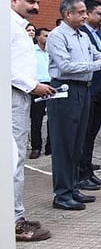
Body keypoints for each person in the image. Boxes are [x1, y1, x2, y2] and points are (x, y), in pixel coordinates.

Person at [46, 0, 101, 211]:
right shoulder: (57, 36)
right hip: (65, 89)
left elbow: (98, 56)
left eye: (84, 12)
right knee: (64, 144)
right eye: (80, 12)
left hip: (84, 90)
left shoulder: (83, 36)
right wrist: (100, 63)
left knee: (78, 142)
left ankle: (72, 187)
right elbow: (65, 66)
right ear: (67, 14)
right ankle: (62, 193)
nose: (84, 15)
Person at [11, 0, 54, 240]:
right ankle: (15, 221)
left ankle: (15, 214)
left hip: (21, 95)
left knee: (15, 159)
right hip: (15, 94)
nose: (35, 7)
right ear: (13, 0)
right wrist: (33, 86)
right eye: (30, 2)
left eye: (37, 2)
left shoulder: (17, 26)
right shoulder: (8, 25)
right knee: (14, 159)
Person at [77, 0, 101, 191]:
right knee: (84, 133)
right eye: (99, 13)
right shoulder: (82, 33)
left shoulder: (98, 33)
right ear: (88, 13)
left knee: (92, 133)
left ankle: (88, 171)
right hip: (88, 87)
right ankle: (81, 173)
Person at [29, 27, 52, 159]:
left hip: (52, 85)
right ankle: (36, 147)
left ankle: (50, 146)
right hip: (38, 86)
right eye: (45, 36)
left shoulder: (51, 51)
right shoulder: (32, 51)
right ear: (38, 37)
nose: (47, 38)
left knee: (52, 118)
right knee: (37, 119)